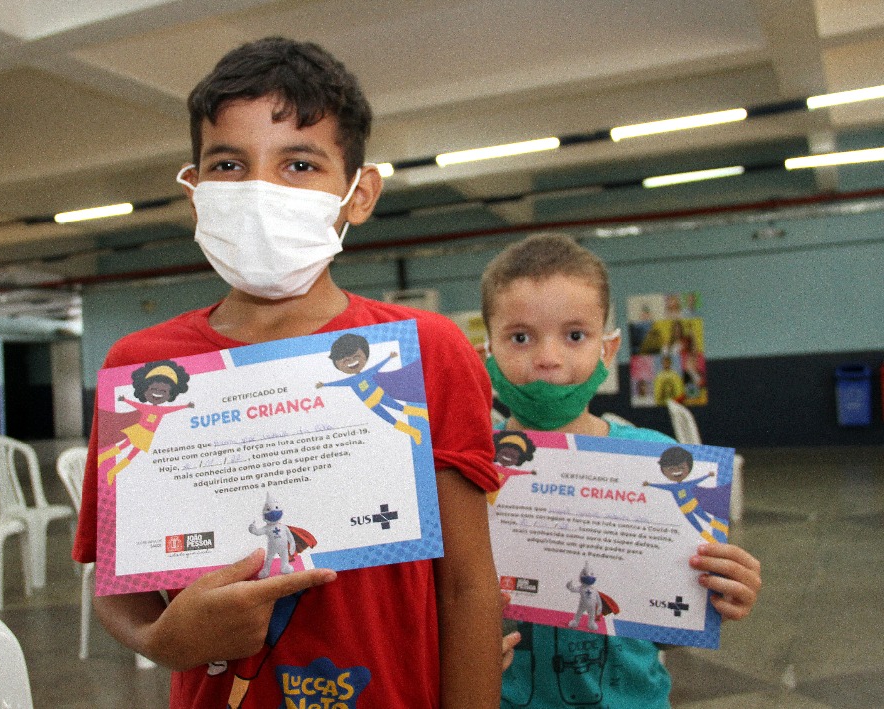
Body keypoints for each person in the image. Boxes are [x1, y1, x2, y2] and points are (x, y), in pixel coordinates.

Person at [72, 37, 502, 709]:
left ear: (359, 194)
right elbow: (119, 587)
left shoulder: (428, 350)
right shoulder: (142, 366)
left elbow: (467, 587)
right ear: (196, 193)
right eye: (228, 164)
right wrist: (161, 639)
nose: (259, 191)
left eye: (299, 164)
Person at [481, 234, 762, 708]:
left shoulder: (656, 461)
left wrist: (719, 595)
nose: (548, 358)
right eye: (520, 337)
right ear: (487, 352)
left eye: (575, 335)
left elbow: (665, 630)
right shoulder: (465, 466)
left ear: (608, 350)